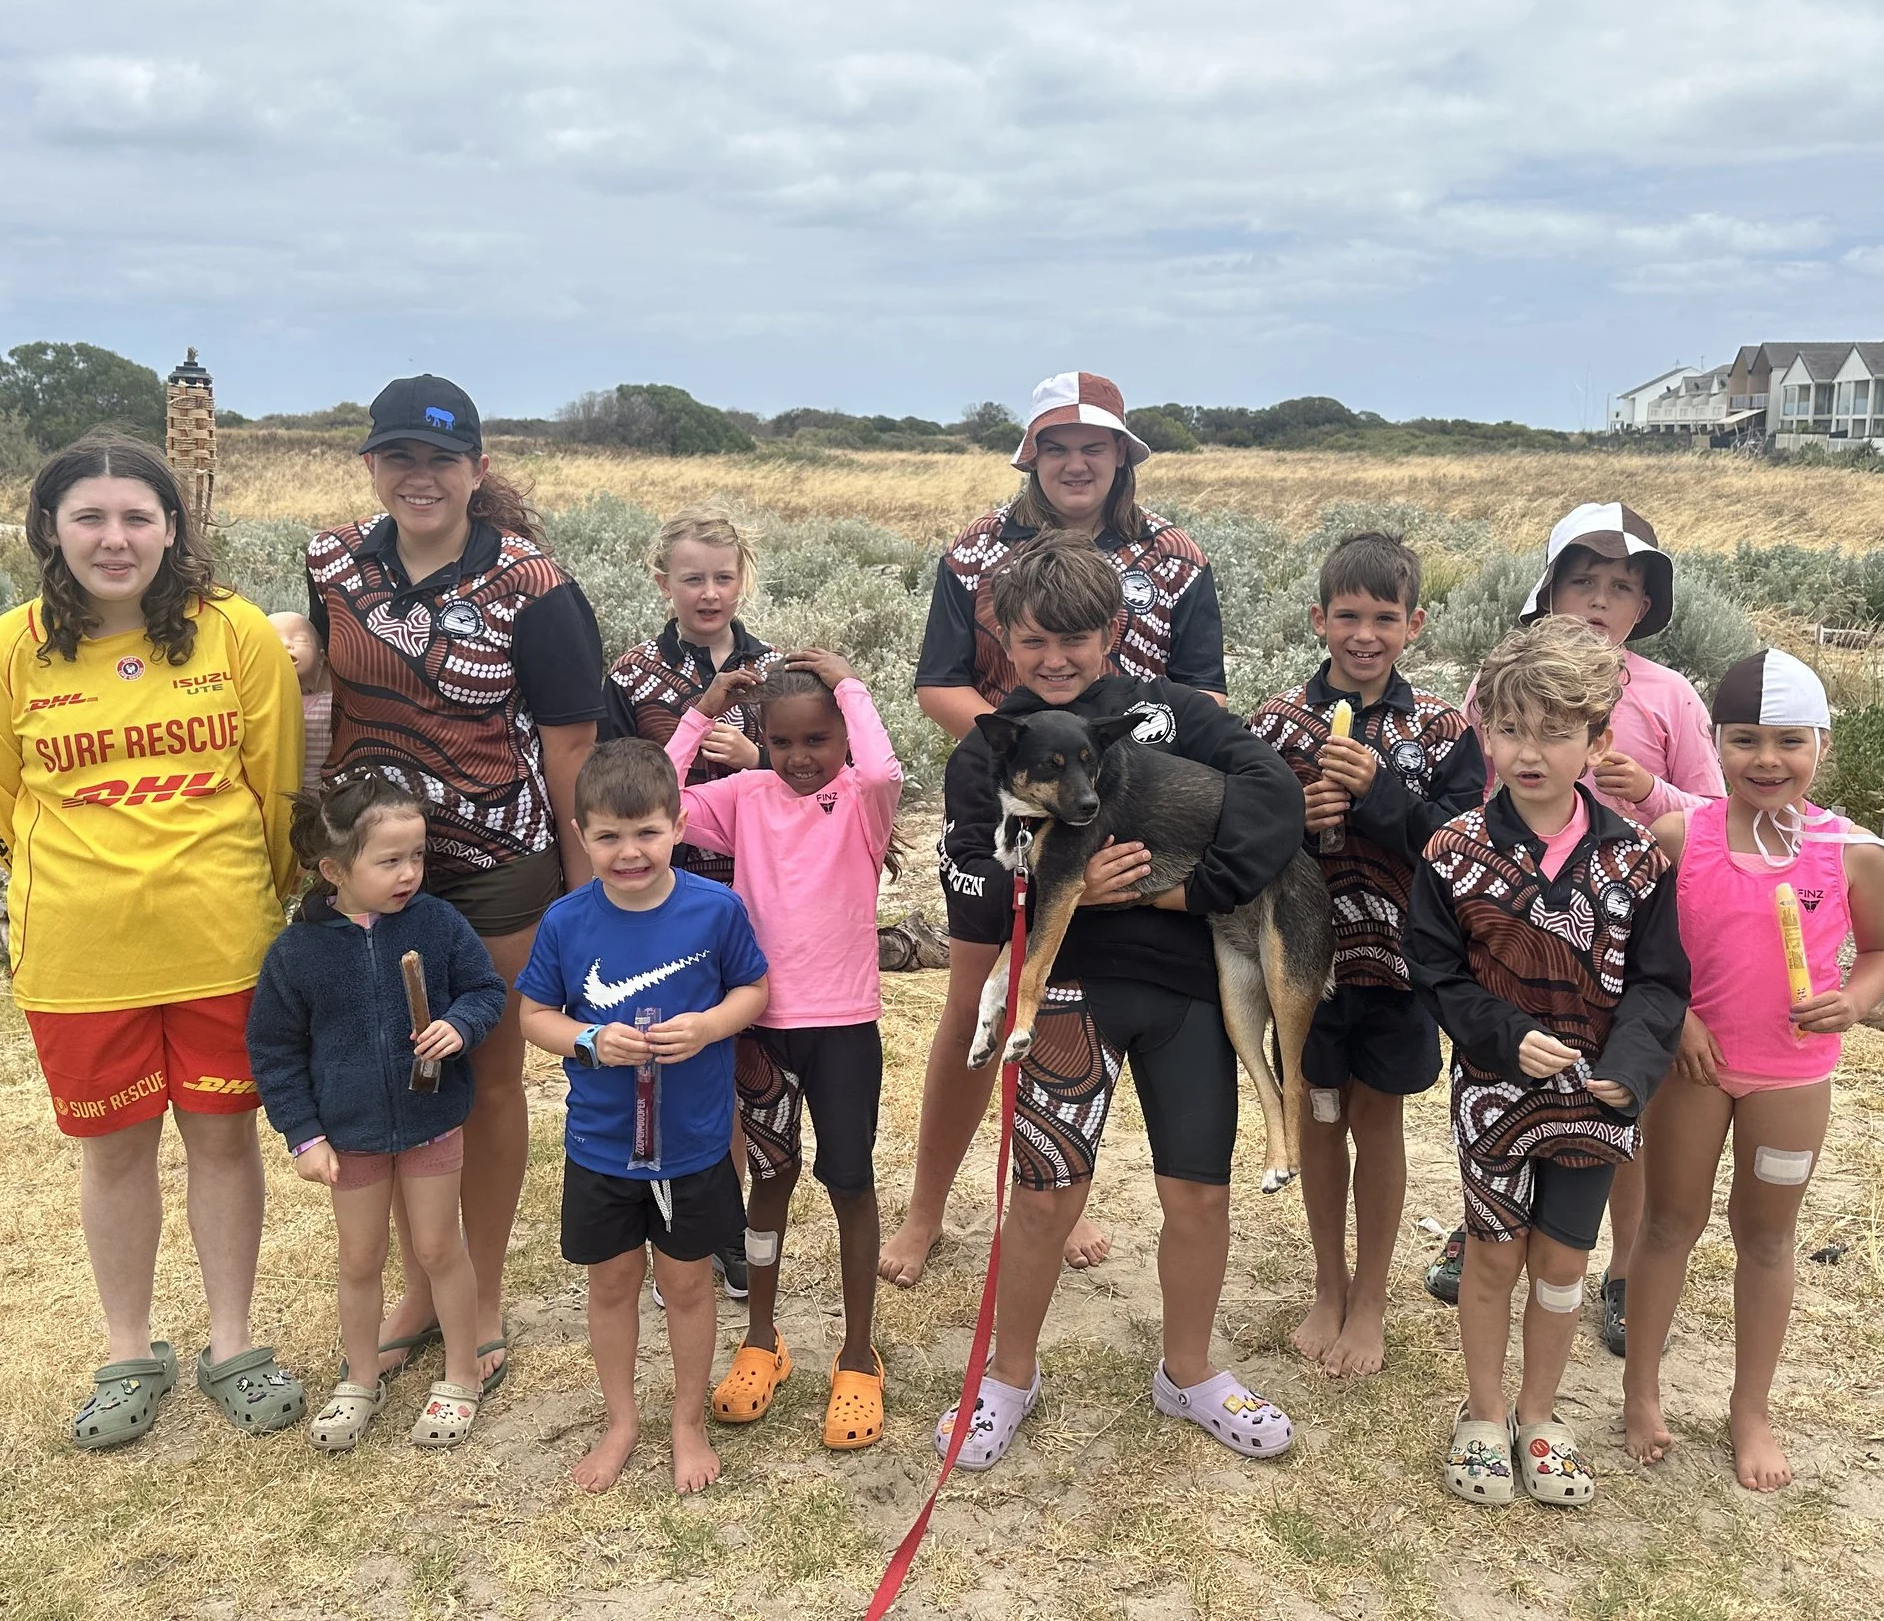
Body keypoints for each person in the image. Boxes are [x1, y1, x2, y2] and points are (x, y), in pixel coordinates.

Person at [0, 432, 305, 1449]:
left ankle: (232, 1342)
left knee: (226, 1142)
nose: (116, 539)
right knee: (113, 1155)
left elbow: (278, 785)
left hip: (223, 941)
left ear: (173, 527)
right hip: (78, 955)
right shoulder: (5, 650)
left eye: (137, 516)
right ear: (49, 531)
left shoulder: (234, 635)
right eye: (90, 517)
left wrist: (259, 895)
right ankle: (127, 1350)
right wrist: (75, 879)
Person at [931, 536, 1302, 1470]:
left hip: (1185, 988)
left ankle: (1188, 1372)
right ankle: (1009, 1377)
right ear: (1002, 641)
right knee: (1048, 1194)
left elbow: (1272, 793)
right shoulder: (994, 744)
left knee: (1199, 1193)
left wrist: (1188, 890)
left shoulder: (1170, 715)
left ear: (1116, 632)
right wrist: (1065, 894)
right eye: (1032, 642)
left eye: (1075, 640)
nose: (1054, 661)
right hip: (1066, 993)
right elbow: (967, 880)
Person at [887, 372, 1224, 1288]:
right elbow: (940, 681)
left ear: (1123, 457)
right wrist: (1019, 759)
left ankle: (1060, 1191)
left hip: (1124, 816)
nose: (1076, 463)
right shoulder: (974, 555)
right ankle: (926, 1210)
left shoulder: (1178, 559)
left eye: (1096, 446)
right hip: (1016, 802)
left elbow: (1209, 694)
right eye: (1057, 446)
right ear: (1030, 455)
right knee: (977, 1004)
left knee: (1084, 1007)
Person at [305, 375, 605, 1396]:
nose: (418, 476)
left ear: (477, 468)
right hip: (373, 871)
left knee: (482, 1083)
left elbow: (569, 746)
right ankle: (421, 1286)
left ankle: (472, 1291)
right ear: (372, 466)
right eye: (398, 457)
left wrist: (579, 894)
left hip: (497, 869)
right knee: (392, 1078)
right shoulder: (332, 563)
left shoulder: (536, 585)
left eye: (439, 459)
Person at [1426, 502, 1724, 1355]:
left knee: (1614, 1109)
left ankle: (1621, 1269)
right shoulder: (1501, 684)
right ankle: (1483, 1218)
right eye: (1581, 579)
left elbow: (1711, 812)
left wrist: (1651, 794)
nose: (1598, 598)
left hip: (1624, 925)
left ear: (1645, 606)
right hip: (1510, 916)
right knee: (1493, 1079)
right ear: (1548, 588)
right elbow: (1479, 789)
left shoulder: (1668, 695)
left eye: (1621, 585)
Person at [1407, 617, 1688, 1508]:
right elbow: (1436, 971)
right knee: (1493, 1257)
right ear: (1485, 730)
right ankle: (1483, 1412)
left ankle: (1541, 1414)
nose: (1530, 752)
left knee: (1564, 1265)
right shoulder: (1453, 851)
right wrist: (1496, 1033)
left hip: (1599, 1101)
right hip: (1493, 1096)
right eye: (1510, 729)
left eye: (1556, 731)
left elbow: (1659, 981)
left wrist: (1635, 1067)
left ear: (1597, 740)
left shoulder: (1636, 859)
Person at [1625, 649, 1884, 1491]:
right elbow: (1636, 954)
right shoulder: (1679, 836)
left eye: (1789, 740)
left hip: (1794, 1073)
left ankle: (1752, 1407)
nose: (1767, 760)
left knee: (1769, 1236)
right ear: (1718, 743)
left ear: (1820, 744)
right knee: (1668, 1223)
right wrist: (1679, 1017)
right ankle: (1640, 1390)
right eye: (1744, 740)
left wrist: (1854, 1001)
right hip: (1694, 1070)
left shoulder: (1853, 853)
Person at [1246, 532, 1484, 1378]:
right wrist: (1291, 820)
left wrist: (1383, 794)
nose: (1364, 634)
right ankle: (1327, 1282)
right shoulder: (1275, 723)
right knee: (1317, 1114)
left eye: (1385, 617)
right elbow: (1239, 841)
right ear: (1318, 618)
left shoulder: (1444, 727)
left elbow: (1461, 847)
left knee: (1377, 1120)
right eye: (1347, 615)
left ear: (1414, 624)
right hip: (1305, 965)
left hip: (1400, 965)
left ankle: (1374, 1293)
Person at [660, 650, 904, 1450]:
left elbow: (883, 770)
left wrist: (850, 682)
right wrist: (700, 713)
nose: (801, 758)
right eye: (784, 741)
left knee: (850, 1182)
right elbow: (659, 804)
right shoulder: (746, 797)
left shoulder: (861, 802)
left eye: (819, 739)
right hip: (759, 1024)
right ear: (760, 737)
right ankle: (762, 1338)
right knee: (770, 1176)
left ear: (842, 737)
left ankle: (859, 1353)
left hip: (842, 1029)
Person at [517, 740, 770, 1495]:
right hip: (600, 1147)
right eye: (607, 836)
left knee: (688, 1285)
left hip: (691, 1145)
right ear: (580, 833)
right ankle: (621, 1418)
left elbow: (753, 991)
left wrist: (710, 1026)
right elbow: (535, 1014)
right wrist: (590, 1040)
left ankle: (686, 1422)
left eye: (647, 832)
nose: (629, 851)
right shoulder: (566, 921)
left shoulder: (715, 909)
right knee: (612, 1283)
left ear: (679, 824)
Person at [247, 777, 508, 1451]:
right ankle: (360, 1378)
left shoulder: (438, 924)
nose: (409, 873)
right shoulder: (296, 954)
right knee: (359, 1258)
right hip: (350, 1134)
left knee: (437, 1246)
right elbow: (274, 1052)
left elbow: (485, 989)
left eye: (416, 856)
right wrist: (303, 1134)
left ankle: (459, 1374)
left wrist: (459, 1024)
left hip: (431, 1120)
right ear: (334, 869)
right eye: (390, 860)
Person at [602, 507, 775, 892]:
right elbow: (610, 783)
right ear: (665, 584)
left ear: (741, 581)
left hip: (765, 871)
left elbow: (821, 771)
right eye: (693, 579)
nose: (710, 593)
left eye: (724, 578)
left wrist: (757, 759)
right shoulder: (631, 674)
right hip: (665, 880)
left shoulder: (776, 670)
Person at [268, 610, 333, 789]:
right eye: (274, 640)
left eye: (300, 640)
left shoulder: (331, 704)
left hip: (322, 792)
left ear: (322, 658)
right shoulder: (261, 706)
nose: (286, 644)